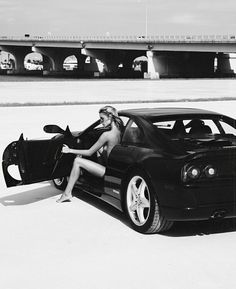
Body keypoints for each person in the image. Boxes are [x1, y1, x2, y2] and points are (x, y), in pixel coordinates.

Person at [57, 105, 124, 203]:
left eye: (102, 118)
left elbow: (89, 152)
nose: (101, 122)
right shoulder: (121, 131)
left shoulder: (107, 135)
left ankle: (67, 193)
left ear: (110, 117)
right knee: (100, 150)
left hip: (108, 172)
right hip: (117, 170)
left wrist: (70, 150)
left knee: (77, 161)